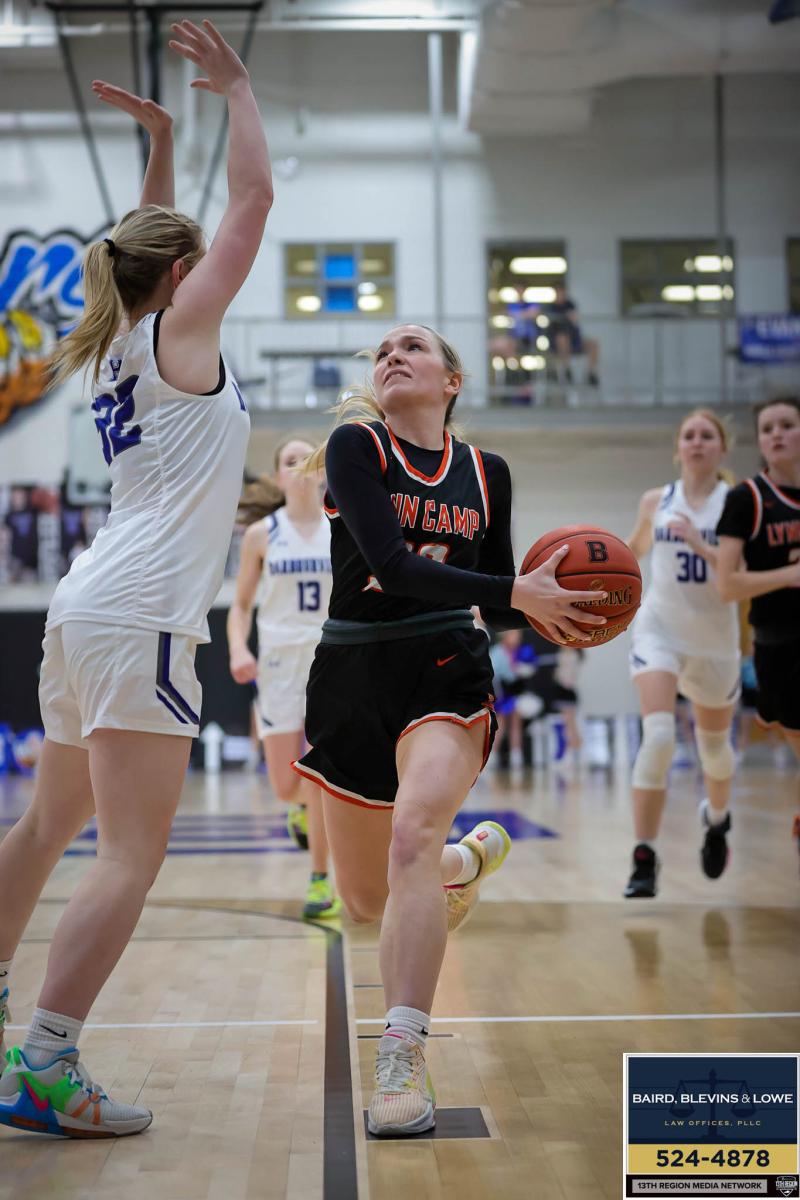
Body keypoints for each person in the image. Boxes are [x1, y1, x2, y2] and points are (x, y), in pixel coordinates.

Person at [0, 22, 272, 1138]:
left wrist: (161, 144)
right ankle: (47, 1065)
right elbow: (253, 201)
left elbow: (141, 242)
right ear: (182, 277)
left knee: (44, 829)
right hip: (143, 612)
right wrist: (238, 93)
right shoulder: (179, 330)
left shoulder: (120, 337)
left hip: (85, 608)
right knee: (128, 854)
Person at [292, 323, 609, 1136]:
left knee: (410, 839)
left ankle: (402, 1053)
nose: (393, 356)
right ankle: (463, 864)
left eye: (413, 347)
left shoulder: (486, 472)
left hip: (444, 664)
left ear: (452, 380)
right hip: (351, 670)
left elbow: (498, 596)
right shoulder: (357, 446)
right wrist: (516, 592)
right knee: (366, 898)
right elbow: (391, 565)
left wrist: (564, 609)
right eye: (383, 352)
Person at [624, 409, 740, 899]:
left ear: (722, 448)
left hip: (715, 639)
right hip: (661, 630)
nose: (696, 442)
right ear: (677, 448)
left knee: (713, 749)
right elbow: (632, 551)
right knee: (659, 737)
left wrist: (700, 544)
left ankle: (717, 819)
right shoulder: (656, 501)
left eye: (706, 435)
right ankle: (644, 856)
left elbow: (741, 577)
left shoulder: (738, 504)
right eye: (688, 435)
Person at [227, 436, 339, 919]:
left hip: (330, 659)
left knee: (320, 774)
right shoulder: (262, 535)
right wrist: (238, 648)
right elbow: (240, 605)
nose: (300, 466)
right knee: (285, 787)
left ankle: (320, 880)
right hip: (277, 664)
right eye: (290, 461)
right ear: (278, 477)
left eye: (307, 459)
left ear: (322, 472)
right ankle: (298, 808)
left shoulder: (344, 528)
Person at [715, 397, 800, 861]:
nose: (777, 434)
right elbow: (727, 584)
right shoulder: (746, 499)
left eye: (787, 425)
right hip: (778, 642)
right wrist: (788, 575)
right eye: (768, 428)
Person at [547, 283, 600, 386]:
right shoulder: (551, 307)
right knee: (562, 339)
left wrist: (572, 318)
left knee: (593, 344)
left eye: (562, 292)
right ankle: (567, 369)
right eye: (558, 292)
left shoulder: (570, 305)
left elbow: (574, 320)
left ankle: (591, 373)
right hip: (557, 343)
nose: (560, 294)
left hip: (574, 340)